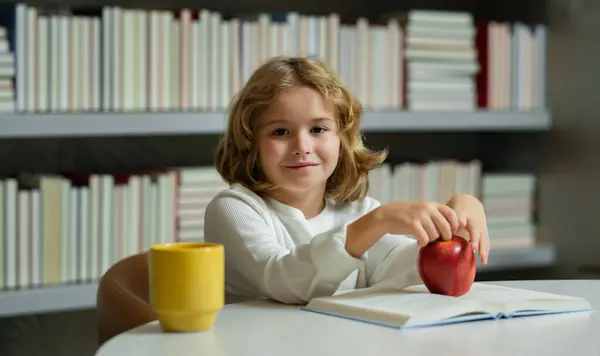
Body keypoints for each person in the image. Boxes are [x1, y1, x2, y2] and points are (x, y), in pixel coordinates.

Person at [204, 56, 490, 305]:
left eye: (318, 129)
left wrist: (456, 229)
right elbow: (282, 280)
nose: (302, 146)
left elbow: (408, 270)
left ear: (342, 139)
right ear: (250, 143)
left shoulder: (357, 212)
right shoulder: (233, 208)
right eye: (280, 132)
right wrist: (376, 223)